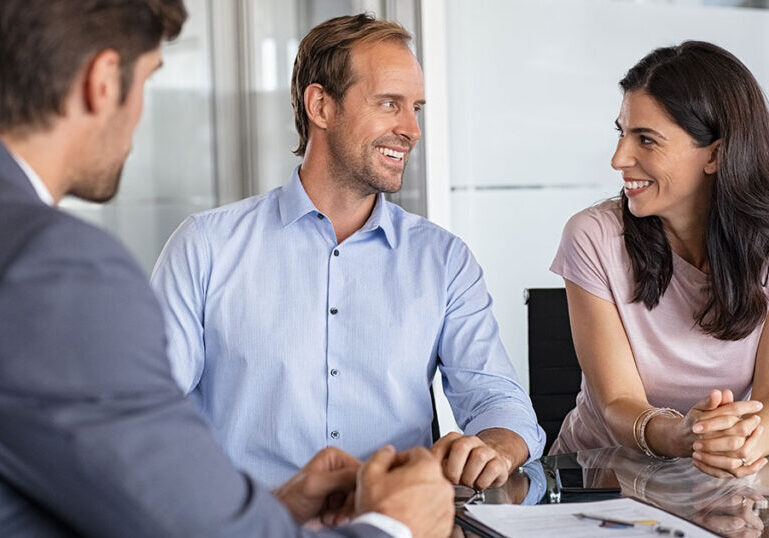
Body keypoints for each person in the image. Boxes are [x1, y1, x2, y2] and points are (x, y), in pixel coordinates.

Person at [0, 2, 455, 537]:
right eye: (148, 80)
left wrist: (277, 507)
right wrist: (394, 526)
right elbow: (161, 514)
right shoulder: (55, 264)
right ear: (103, 81)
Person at [150, 13, 545, 492]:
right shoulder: (205, 247)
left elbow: (496, 397)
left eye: (415, 108)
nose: (412, 129)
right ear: (320, 105)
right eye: (389, 104)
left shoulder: (443, 260)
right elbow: (150, 409)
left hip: (395, 523)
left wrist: (496, 446)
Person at [549, 40, 769, 479]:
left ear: (717, 154)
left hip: (723, 479)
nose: (618, 159)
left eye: (646, 139)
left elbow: (767, 409)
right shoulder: (593, 236)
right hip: (596, 479)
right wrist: (686, 435)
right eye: (621, 132)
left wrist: (740, 440)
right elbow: (615, 403)